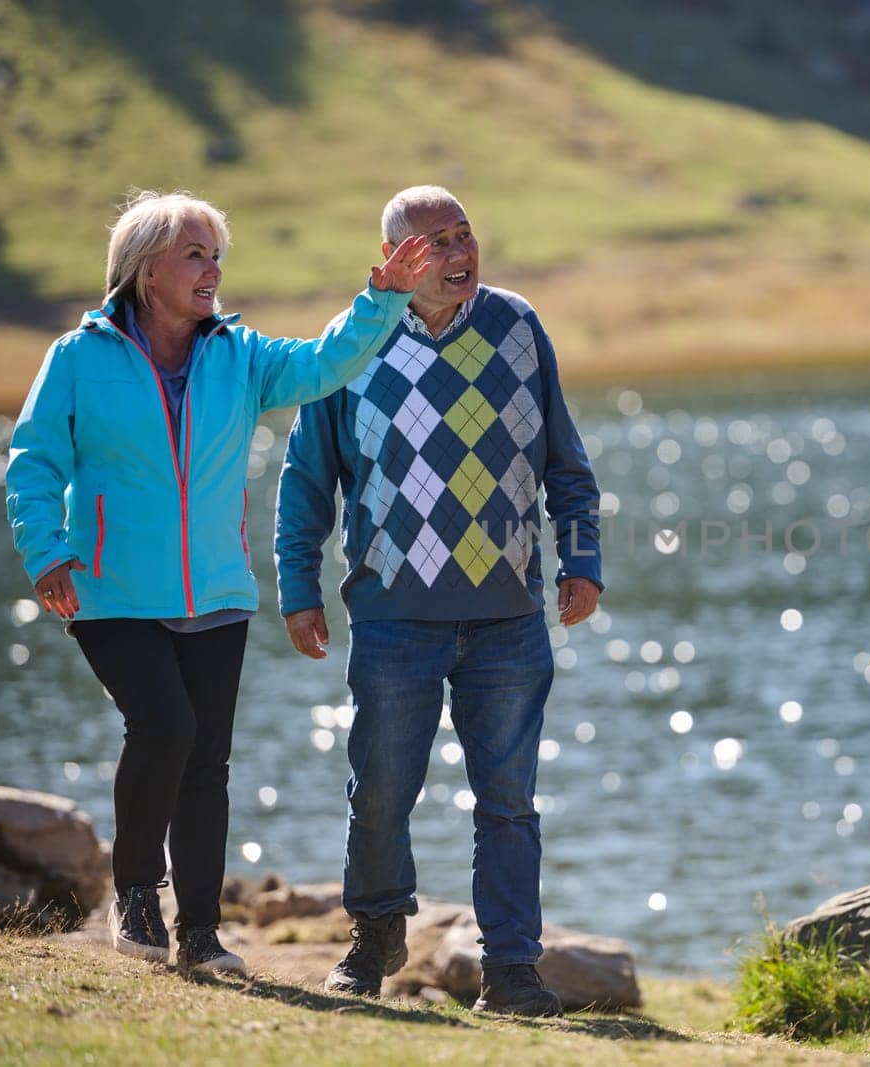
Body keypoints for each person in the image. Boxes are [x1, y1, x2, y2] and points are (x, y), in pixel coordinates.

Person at [6, 190, 431, 975]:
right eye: (195, 253)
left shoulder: (239, 355)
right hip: (109, 589)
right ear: (145, 270)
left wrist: (384, 298)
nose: (213, 268)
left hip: (217, 591)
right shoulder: (78, 356)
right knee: (165, 726)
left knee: (207, 762)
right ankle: (136, 889)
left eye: (216, 254)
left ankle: (199, 932)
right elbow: (35, 460)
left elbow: (323, 363)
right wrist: (47, 550)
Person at [274, 185, 602, 1014]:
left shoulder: (518, 326)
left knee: (509, 800)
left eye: (464, 235)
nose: (458, 255)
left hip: (508, 617)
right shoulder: (351, 346)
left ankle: (513, 970)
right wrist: (298, 585)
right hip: (393, 617)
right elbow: (308, 479)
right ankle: (377, 929)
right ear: (390, 262)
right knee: (380, 790)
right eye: (433, 244)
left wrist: (581, 557)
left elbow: (565, 457)